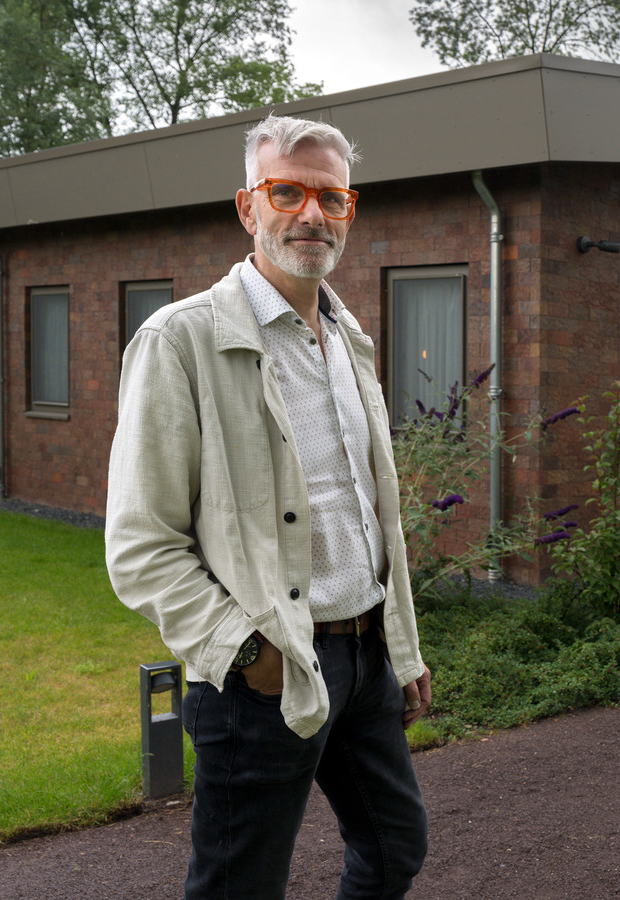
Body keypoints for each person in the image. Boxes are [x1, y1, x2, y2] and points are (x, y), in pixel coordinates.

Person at [106, 114, 430, 899]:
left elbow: (371, 514)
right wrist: (250, 654)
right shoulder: (179, 340)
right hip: (263, 676)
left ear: (350, 210)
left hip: (365, 663)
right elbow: (141, 545)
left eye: (332, 197)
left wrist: (405, 649)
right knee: (238, 887)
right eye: (287, 191)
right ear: (248, 208)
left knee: (394, 851)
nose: (312, 214)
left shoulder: (349, 338)